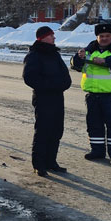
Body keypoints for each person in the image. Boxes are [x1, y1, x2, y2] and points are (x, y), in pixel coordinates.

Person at [70, 22, 111, 165]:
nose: (104, 38)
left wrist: (106, 60)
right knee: (94, 125)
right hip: (93, 95)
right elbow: (75, 65)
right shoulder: (89, 49)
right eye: (101, 36)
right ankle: (97, 151)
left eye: (107, 36)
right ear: (97, 37)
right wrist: (78, 58)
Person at [22, 26, 72, 177]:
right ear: (42, 38)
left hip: (57, 97)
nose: (54, 38)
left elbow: (65, 76)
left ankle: (51, 162)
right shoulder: (34, 55)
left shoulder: (55, 54)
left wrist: (62, 85)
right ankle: (39, 164)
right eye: (51, 36)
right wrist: (50, 85)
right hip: (43, 98)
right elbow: (29, 78)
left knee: (56, 130)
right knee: (43, 131)